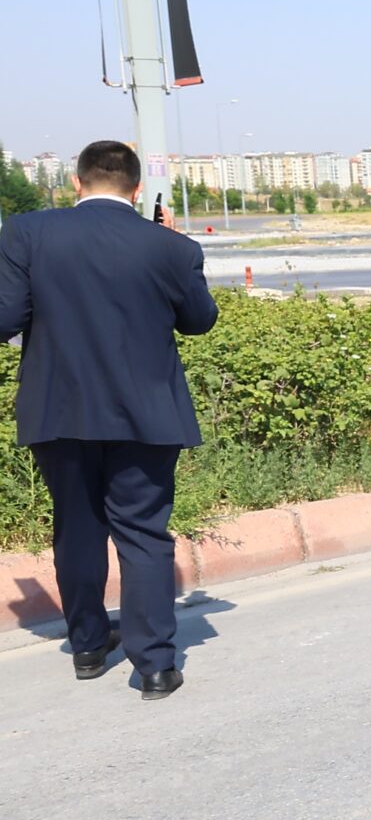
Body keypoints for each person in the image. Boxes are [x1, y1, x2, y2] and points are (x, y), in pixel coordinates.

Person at [0, 139, 218, 698]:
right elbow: (198, 321)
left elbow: (4, 319)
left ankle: (90, 646)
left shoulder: (28, 232)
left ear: (77, 183)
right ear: (138, 189)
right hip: (146, 413)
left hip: (58, 407)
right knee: (143, 532)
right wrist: (172, 246)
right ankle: (155, 666)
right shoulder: (169, 247)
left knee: (77, 525)